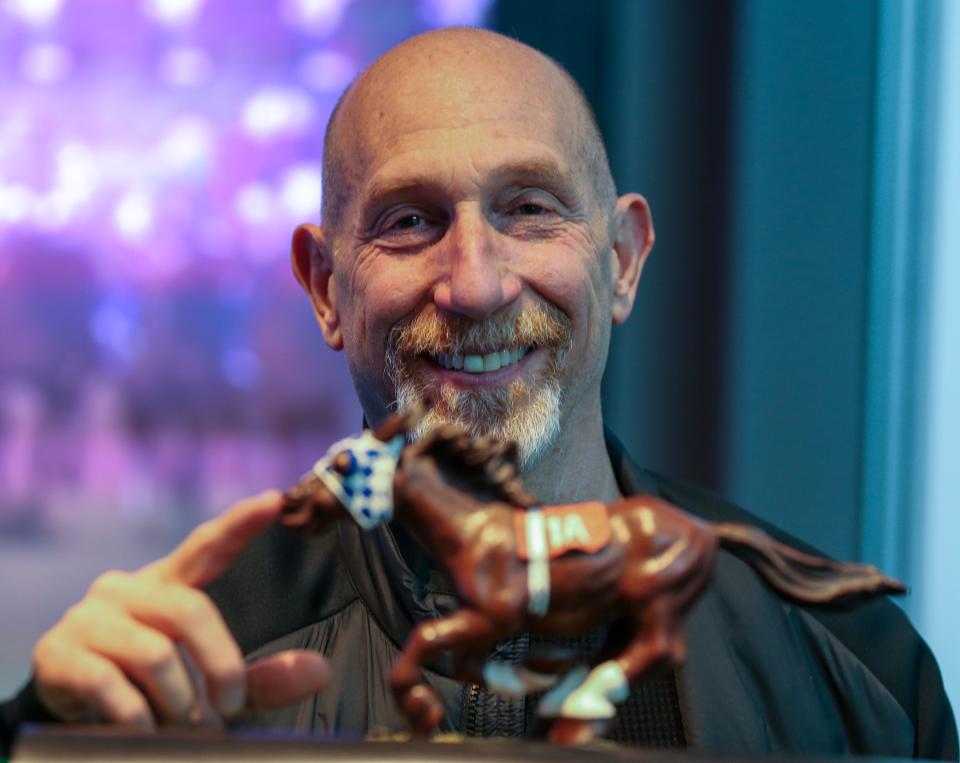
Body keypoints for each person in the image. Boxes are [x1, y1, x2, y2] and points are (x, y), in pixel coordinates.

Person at [2, 27, 956, 758]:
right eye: (411, 222)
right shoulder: (187, 662)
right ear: (326, 288)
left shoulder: (856, 671)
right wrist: (43, 740)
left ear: (621, 262)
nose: (477, 284)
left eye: (529, 209)